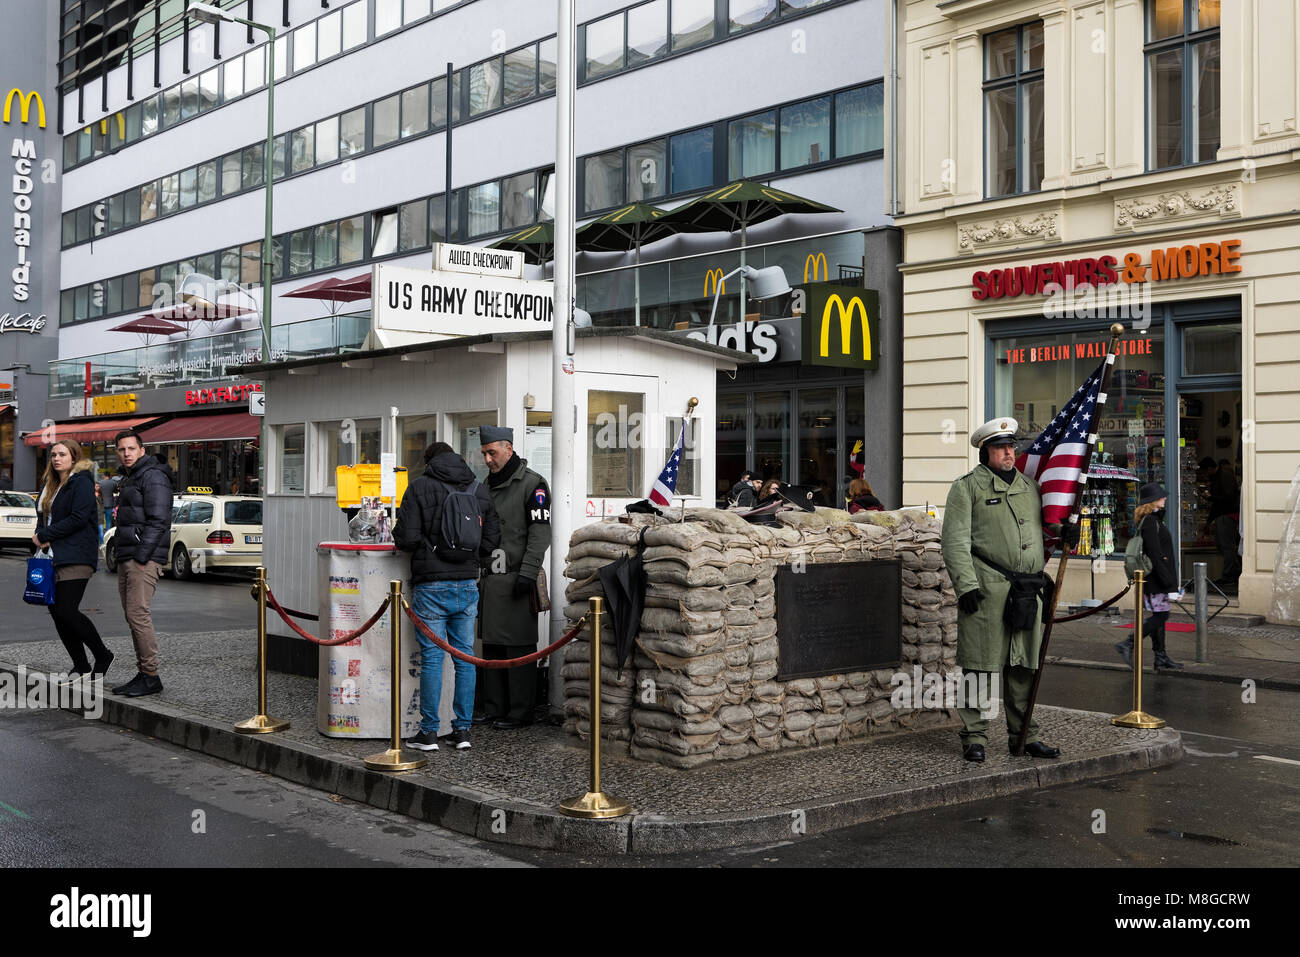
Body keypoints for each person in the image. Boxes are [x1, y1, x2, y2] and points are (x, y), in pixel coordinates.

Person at [940, 417, 1077, 763]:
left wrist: (1064, 533)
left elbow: (1044, 527)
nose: (1008, 452)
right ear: (986, 451)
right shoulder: (967, 487)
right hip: (986, 591)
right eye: (1001, 447)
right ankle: (974, 736)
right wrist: (966, 586)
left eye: (1011, 446)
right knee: (980, 665)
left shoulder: (1029, 487)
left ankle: (1025, 734)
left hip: (1027, 591)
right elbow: (954, 542)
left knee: (1023, 666)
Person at [393, 441, 500, 751]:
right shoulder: (478, 489)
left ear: (429, 461)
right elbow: (492, 540)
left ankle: (428, 733)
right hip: (467, 584)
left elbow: (408, 538)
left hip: (431, 585)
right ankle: (462, 731)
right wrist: (470, 558)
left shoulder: (419, 487)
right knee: (465, 658)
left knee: (432, 659)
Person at [477, 425, 551, 729]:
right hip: (491, 580)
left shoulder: (533, 485)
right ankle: (495, 707)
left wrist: (529, 572)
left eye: (492, 452)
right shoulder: (487, 484)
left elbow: (540, 534)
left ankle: (521, 711)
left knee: (518, 646)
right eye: (484, 453)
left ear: (508, 448)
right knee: (492, 647)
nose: (487, 459)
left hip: (516, 578)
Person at [32, 440, 113, 682]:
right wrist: (38, 536)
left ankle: (103, 655)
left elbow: (78, 518)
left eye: (62, 454)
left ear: (74, 457)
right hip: (52, 556)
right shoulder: (51, 485)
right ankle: (80, 665)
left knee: (66, 609)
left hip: (77, 554)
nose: (57, 458)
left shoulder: (81, 482)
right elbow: (43, 518)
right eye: (54, 455)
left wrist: (46, 535)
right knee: (56, 612)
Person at [109, 430, 174, 698]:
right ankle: (144, 673)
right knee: (132, 615)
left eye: (131, 449)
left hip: (142, 558)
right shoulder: (131, 476)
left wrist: (142, 556)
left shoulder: (152, 475)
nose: (126, 453)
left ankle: (151, 675)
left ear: (142, 449)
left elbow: (159, 520)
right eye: (122, 449)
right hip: (129, 555)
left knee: (138, 614)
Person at [1116, 483, 1183, 671]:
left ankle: (1160, 657)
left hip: (1156, 580)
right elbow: (1155, 554)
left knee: (1159, 617)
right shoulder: (1150, 522)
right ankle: (1128, 643)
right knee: (1161, 616)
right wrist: (1169, 584)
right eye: (1162, 496)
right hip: (1155, 581)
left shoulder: (1153, 521)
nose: (1165, 498)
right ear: (1153, 500)